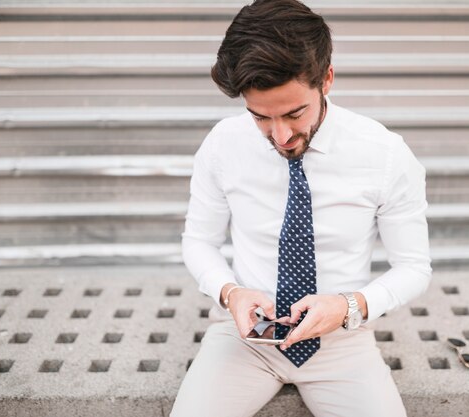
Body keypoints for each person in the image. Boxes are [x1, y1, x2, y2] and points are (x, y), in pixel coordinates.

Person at [170, 0, 431, 416]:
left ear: (326, 78)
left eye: (295, 113)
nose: (281, 135)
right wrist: (230, 292)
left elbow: (414, 267)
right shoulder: (222, 145)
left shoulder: (385, 155)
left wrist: (350, 306)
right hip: (244, 338)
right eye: (260, 117)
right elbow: (198, 241)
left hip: (342, 340)